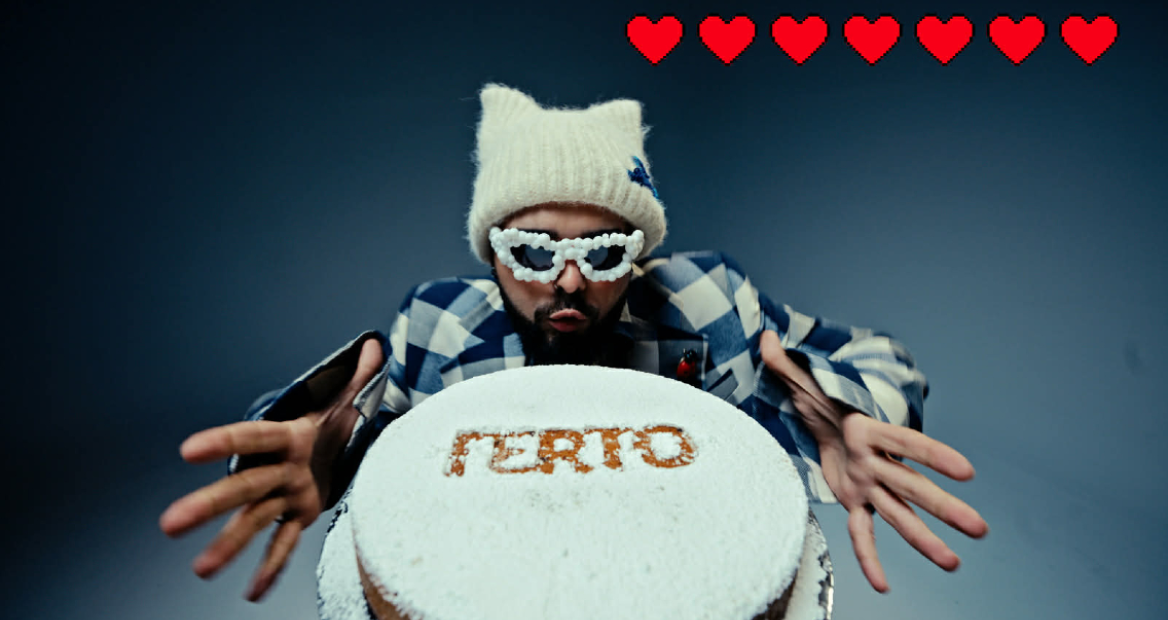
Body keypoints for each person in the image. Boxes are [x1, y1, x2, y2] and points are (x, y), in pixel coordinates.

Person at [160, 83, 988, 605]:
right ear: (489, 253)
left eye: (602, 253)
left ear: (643, 252)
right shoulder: (440, 326)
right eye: (530, 250)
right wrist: (327, 445)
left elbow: (884, 364)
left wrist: (833, 413)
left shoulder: (708, 302)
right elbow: (354, 446)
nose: (566, 281)